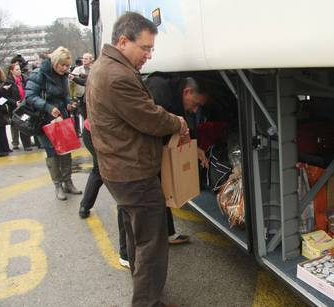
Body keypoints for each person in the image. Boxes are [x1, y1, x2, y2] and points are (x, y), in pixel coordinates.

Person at [86, 12, 187, 307]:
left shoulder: (105, 67)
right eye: (145, 48)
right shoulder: (117, 76)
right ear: (122, 41)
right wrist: (178, 122)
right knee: (152, 245)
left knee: (136, 238)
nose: (149, 55)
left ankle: (143, 289)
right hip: (133, 173)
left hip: (120, 170)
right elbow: (149, 118)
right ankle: (147, 302)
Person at [116, 76, 210, 266]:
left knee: (162, 187)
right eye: (196, 104)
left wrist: (194, 147)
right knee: (129, 201)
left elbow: (182, 126)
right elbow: (150, 124)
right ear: (187, 92)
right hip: (133, 153)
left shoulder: (178, 96)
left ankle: (168, 233)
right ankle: (126, 252)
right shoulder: (159, 93)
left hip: (155, 147)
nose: (195, 109)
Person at [25, 47, 82, 200]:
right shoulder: (39, 74)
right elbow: (30, 96)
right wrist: (48, 107)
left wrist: (69, 103)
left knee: (66, 150)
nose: (65, 68)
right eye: (62, 65)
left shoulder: (62, 75)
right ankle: (58, 185)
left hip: (61, 118)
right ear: (55, 63)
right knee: (52, 152)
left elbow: (65, 95)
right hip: (43, 119)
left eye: (67, 65)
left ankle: (68, 182)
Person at [7, 63, 32, 151]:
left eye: (19, 69)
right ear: (12, 71)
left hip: (25, 105)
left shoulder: (24, 78)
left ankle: (27, 144)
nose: (19, 71)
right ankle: (15, 142)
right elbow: (6, 97)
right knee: (16, 124)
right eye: (16, 69)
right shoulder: (8, 82)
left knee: (25, 122)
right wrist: (15, 102)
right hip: (14, 107)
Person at [0, 67, 13, 157]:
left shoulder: (4, 83)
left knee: (1, 129)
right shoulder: (2, 86)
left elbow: (5, 98)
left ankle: (4, 148)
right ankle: (0, 149)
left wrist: (1, 102)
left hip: (0, 109)